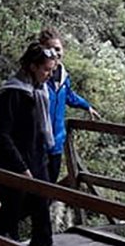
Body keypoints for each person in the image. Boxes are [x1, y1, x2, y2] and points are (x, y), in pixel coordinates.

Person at [0, 42, 57, 246]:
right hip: (14, 165)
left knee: (42, 216)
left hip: (37, 162)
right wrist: (22, 168)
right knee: (11, 214)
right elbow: (3, 135)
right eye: (46, 69)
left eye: (52, 70)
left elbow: (39, 133)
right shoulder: (12, 93)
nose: (49, 75)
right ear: (32, 66)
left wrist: (43, 162)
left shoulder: (39, 91)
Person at [36, 28, 101, 185]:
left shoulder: (64, 77)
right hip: (37, 143)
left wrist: (87, 106)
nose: (55, 53)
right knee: (35, 190)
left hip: (57, 143)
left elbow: (69, 97)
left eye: (58, 49)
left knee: (50, 188)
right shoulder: (38, 76)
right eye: (50, 49)